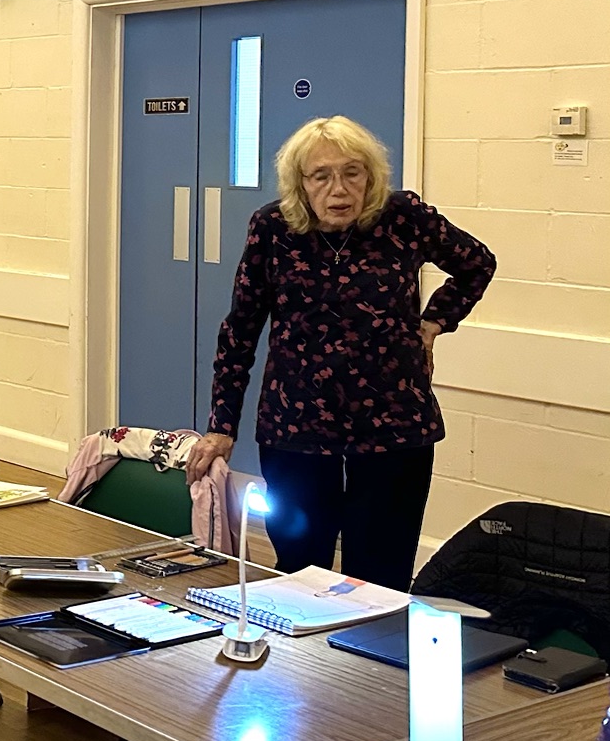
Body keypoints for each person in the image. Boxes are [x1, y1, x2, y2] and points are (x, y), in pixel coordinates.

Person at [186, 116, 495, 592]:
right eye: (321, 176)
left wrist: (433, 323)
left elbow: (476, 263)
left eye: (352, 173)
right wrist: (221, 425)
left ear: (371, 175)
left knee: (380, 576)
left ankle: (370, 645)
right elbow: (241, 329)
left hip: (394, 426)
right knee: (299, 570)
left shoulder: (404, 217)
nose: (339, 189)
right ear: (300, 183)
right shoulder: (273, 227)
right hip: (296, 424)